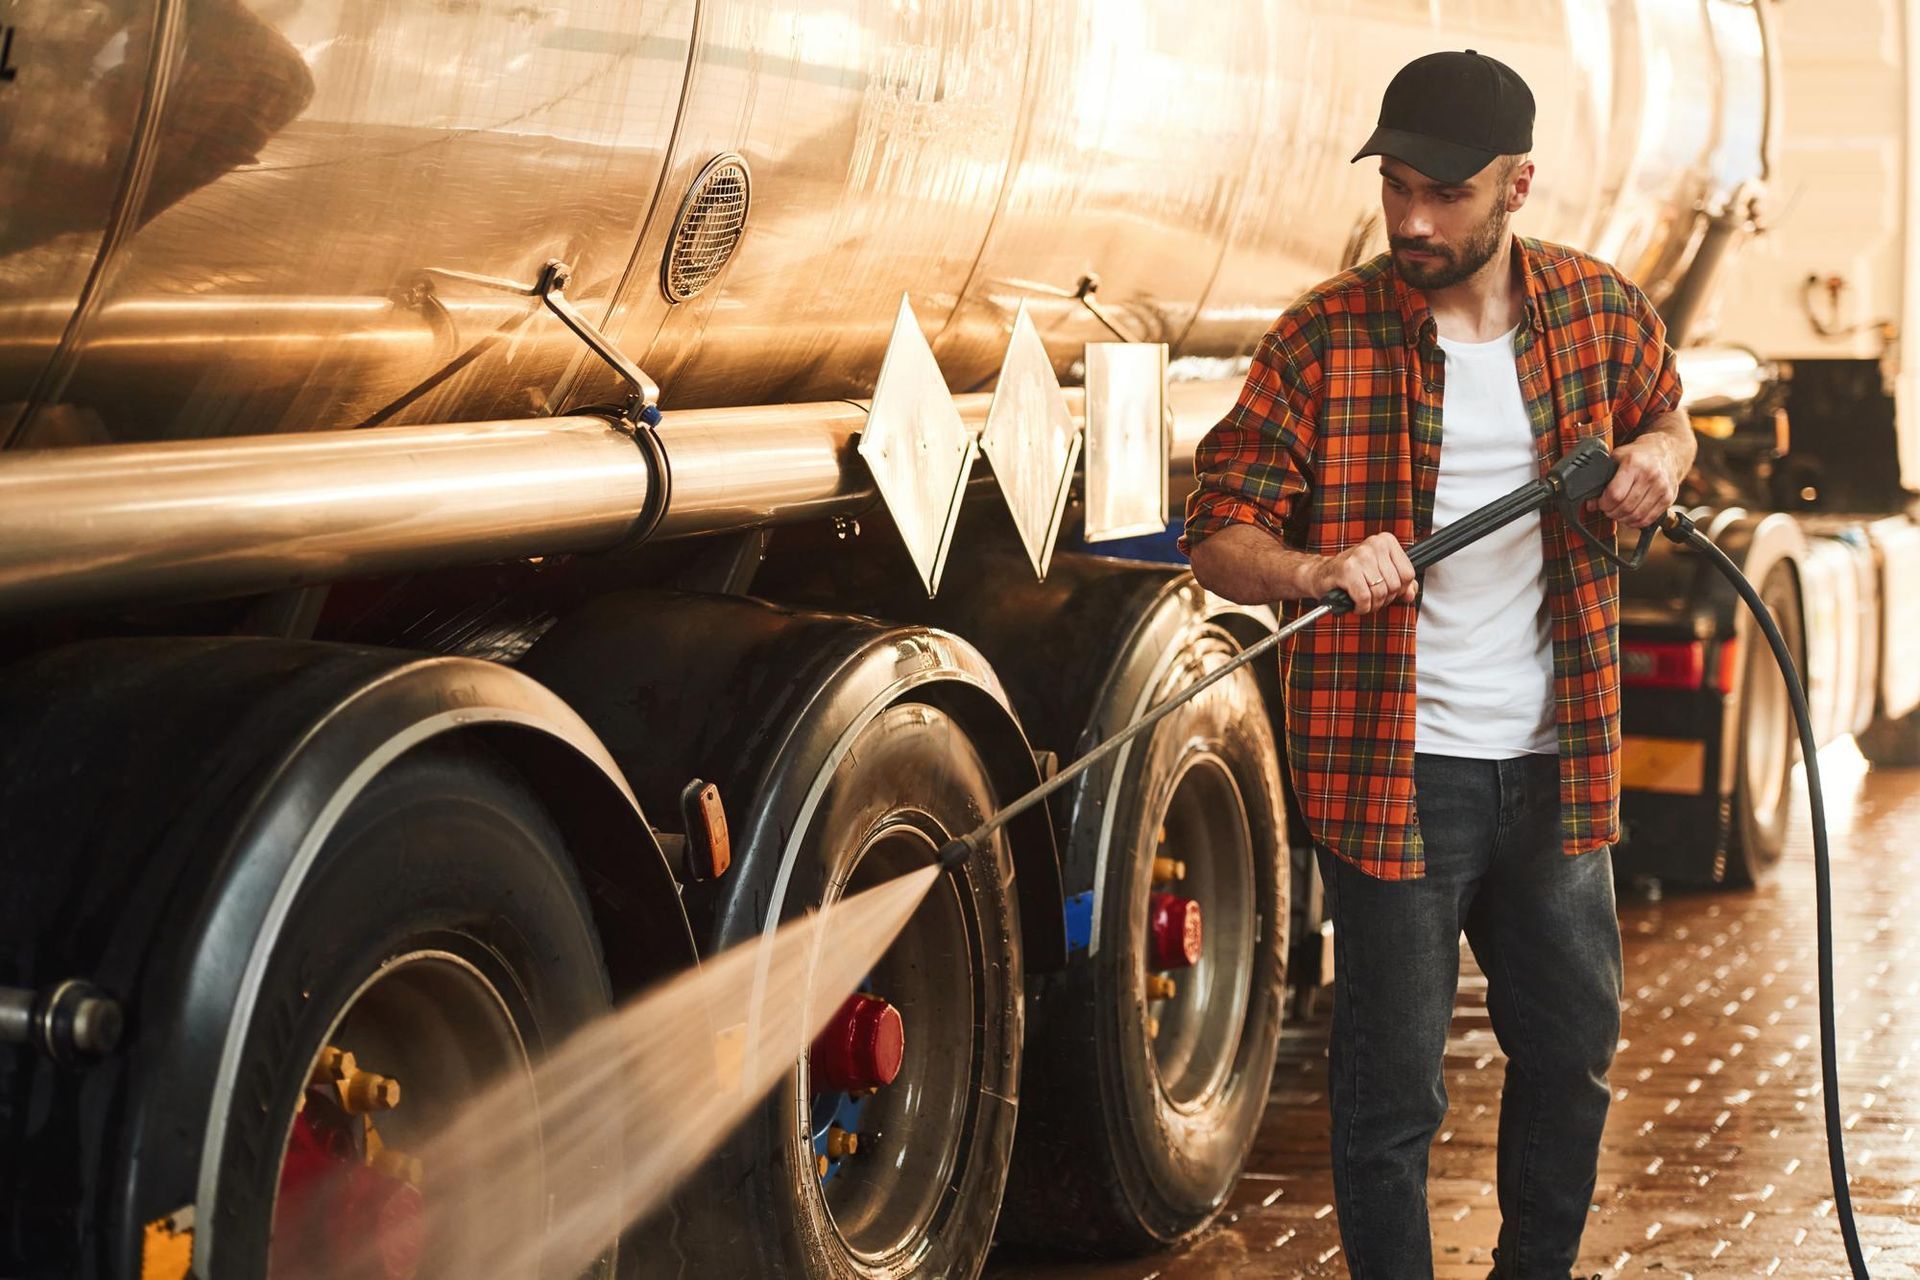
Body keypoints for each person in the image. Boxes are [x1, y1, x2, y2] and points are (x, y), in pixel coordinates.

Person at [1181, 49, 1697, 1280]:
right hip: (1396, 770)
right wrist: (1312, 568)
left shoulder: (1598, 310)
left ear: (1518, 186)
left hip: (1559, 758)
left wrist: (1662, 460)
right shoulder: (1321, 337)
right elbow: (1217, 534)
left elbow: (1669, 417)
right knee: (1390, 1096)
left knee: (1571, 1059)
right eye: (1396, 186)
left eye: (1445, 194)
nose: (1413, 218)